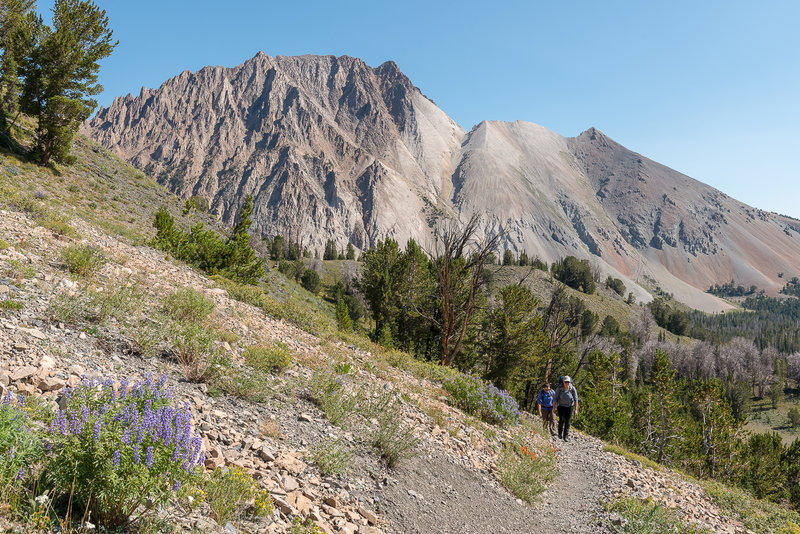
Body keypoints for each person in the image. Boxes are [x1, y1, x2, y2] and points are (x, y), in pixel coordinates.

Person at [553, 375, 578, 442]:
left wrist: (576, 410)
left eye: (568, 382)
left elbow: (576, 400)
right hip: (561, 406)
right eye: (566, 382)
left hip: (570, 406)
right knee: (562, 419)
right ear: (563, 382)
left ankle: (565, 436)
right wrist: (554, 408)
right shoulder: (559, 388)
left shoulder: (572, 389)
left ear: (570, 382)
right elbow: (555, 399)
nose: (567, 383)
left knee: (568, 421)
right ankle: (560, 433)